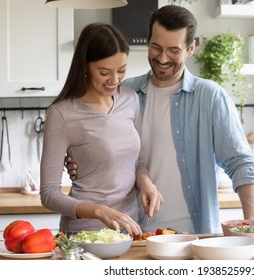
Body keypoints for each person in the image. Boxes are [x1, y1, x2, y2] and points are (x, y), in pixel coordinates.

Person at [66, 5, 254, 234]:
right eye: (156, 47)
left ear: (190, 49)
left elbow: (239, 162)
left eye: (173, 50)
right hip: (131, 233)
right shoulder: (123, 93)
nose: (162, 58)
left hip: (194, 235)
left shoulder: (210, 97)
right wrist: (79, 161)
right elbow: (95, 144)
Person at [40, 23, 163, 237]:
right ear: (85, 67)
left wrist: (146, 184)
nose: (114, 80)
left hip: (129, 230)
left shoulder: (130, 99)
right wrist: (98, 210)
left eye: (121, 70)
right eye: (104, 72)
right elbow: (49, 194)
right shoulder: (62, 113)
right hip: (84, 234)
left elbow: (139, 163)